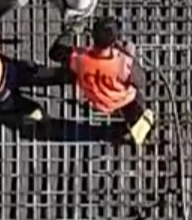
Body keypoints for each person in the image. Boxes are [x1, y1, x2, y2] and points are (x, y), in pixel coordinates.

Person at [48, 16, 155, 145]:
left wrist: (71, 31)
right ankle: (136, 128)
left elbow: (55, 53)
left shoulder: (80, 58)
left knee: (72, 70)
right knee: (139, 102)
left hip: (95, 101)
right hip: (122, 101)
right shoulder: (123, 62)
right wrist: (130, 55)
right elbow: (141, 81)